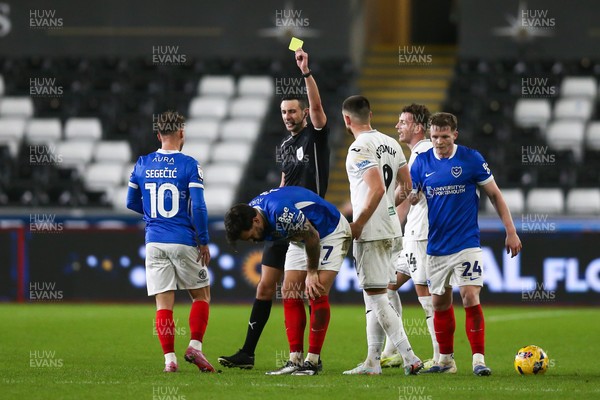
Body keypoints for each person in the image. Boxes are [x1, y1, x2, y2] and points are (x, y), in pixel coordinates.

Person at [219, 48, 330, 370]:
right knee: (267, 286)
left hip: (307, 221)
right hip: (278, 222)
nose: (288, 116)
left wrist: (306, 72)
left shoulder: (315, 136)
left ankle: (311, 356)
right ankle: (248, 353)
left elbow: (320, 107)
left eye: (293, 111)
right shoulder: (284, 146)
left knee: (304, 288)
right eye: (283, 112)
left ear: (304, 113)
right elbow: (284, 181)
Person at [409, 112, 522, 376]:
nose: (439, 142)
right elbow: (412, 194)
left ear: (454, 135)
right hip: (436, 245)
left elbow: (494, 194)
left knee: (470, 296)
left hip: (466, 242)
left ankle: (479, 360)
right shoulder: (421, 163)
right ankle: (446, 361)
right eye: (435, 137)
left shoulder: (471, 158)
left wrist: (511, 231)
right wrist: (410, 198)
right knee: (439, 304)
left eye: (444, 137)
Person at [224, 186, 351, 376]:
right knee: (289, 292)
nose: (252, 241)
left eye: (250, 235)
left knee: (316, 290)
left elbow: (312, 237)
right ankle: (295, 360)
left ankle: (313, 361)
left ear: (256, 220)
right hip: (301, 237)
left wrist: (311, 272)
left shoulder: (281, 213)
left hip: (328, 231)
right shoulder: (253, 212)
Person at [126, 110, 215, 373]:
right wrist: (204, 240)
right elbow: (198, 207)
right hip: (183, 240)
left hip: (153, 241)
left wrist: (153, 216)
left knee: (163, 304)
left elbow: (130, 202)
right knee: (201, 295)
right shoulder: (189, 165)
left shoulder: (142, 163)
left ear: (158, 134)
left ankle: (170, 361)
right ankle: (195, 347)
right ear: (181, 133)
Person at [341, 95, 423, 376]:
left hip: (372, 232)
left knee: (377, 298)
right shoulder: (390, 142)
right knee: (377, 294)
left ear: (347, 119)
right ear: (371, 114)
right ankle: (372, 362)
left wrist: (359, 223)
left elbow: (376, 189)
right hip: (391, 229)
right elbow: (407, 186)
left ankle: (410, 357)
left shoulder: (358, 147)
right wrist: (391, 205)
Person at [379, 104, 440, 369]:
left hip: (421, 235)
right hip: (413, 234)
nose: (397, 126)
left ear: (417, 127)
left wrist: (382, 209)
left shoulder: (423, 153)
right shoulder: (420, 153)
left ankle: (442, 357)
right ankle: (392, 350)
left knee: (426, 295)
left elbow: (405, 190)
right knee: (385, 285)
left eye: (402, 122)